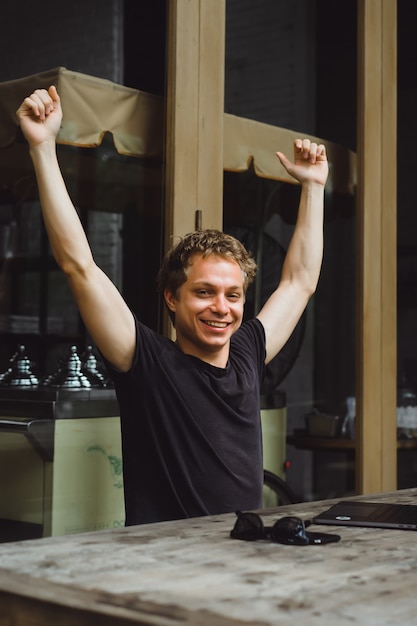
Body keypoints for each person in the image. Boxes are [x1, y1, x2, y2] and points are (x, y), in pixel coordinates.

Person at [16, 86, 328, 525]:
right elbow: (79, 265)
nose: (222, 307)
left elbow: (300, 281)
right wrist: (42, 146)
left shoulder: (246, 353)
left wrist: (313, 187)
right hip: (165, 562)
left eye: (232, 294)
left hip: (238, 558)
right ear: (172, 298)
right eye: (204, 292)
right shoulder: (145, 362)